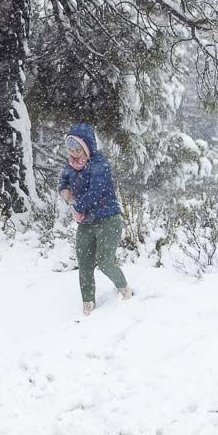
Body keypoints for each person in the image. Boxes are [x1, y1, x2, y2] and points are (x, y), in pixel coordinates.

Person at [58, 123, 132, 316]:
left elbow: (96, 192)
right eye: (70, 148)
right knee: (84, 263)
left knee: (105, 262)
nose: (74, 153)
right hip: (86, 223)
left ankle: (124, 289)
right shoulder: (70, 166)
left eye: (77, 148)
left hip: (108, 220)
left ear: (87, 147)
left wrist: (77, 205)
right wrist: (64, 191)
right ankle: (88, 302)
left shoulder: (100, 164)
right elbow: (64, 181)